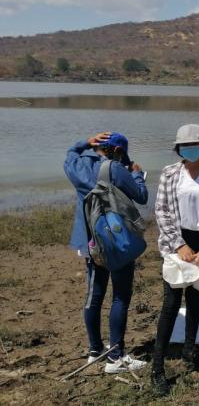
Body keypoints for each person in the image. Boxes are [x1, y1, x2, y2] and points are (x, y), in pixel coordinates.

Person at [151, 124, 199, 395]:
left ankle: (189, 349)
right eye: (185, 146)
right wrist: (179, 244)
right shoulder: (170, 174)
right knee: (171, 302)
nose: (191, 149)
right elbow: (161, 211)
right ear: (178, 149)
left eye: (196, 145)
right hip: (177, 242)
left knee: (195, 297)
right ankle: (157, 367)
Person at [63, 131, 148, 373]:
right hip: (117, 241)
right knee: (120, 296)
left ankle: (94, 350)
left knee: (95, 294)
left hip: (90, 243)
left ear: (96, 147)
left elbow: (70, 153)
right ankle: (115, 358)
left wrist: (85, 142)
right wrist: (137, 174)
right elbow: (141, 196)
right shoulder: (116, 169)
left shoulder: (78, 165)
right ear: (119, 151)